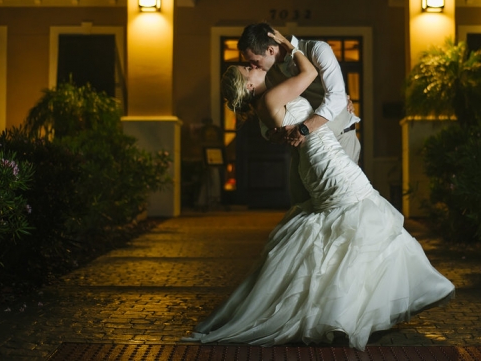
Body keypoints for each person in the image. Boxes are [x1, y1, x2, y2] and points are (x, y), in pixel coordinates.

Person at [182, 32, 455, 350]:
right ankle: (360, 308)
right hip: (328, 164)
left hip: (318, 163)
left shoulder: (265, 104)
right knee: (361, 218)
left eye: (251, 63)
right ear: (249, 86)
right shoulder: (271, 97)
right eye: (249, 70)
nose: (253, 67)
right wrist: (292, 45)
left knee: (342, 227)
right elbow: (309, 74)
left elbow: (292, 122)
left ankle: (341, 309)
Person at [238, 22, 361, 205]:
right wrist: (271, 134)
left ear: (271, 50)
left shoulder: (318, 50)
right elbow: (264, 109)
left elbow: (335, 97)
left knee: (339, 204)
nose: (254, 66)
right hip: (304, 147)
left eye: (254, 61)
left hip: (340, 140)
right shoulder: (268, 74)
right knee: (301, 203)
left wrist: (304, 129)